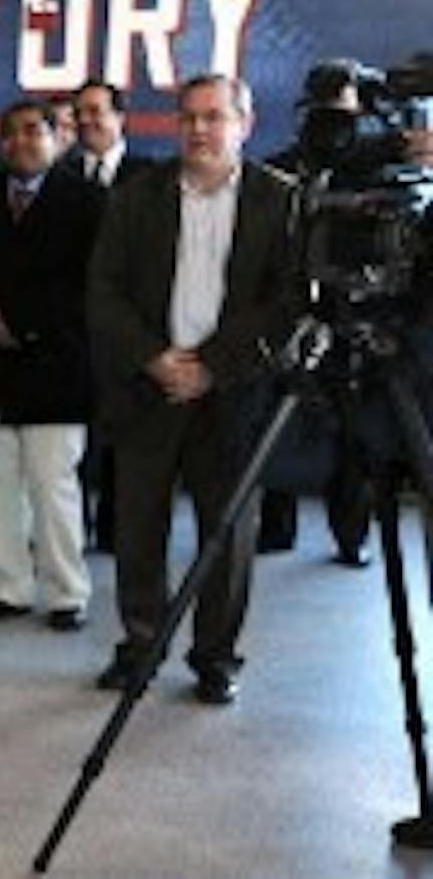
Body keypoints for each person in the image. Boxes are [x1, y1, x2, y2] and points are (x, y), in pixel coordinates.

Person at [89, 73, 294, 706]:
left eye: (214, 117)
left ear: (244, 124)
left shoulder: (281, 200)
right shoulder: (137, 196)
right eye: (189, 118)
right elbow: (104, 289)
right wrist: (156, 359)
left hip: (233, 393)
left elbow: (286, 301)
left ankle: (216, 657)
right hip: (149, 387)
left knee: (227, 534)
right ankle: (140, 646)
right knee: (137, 527)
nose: (200, 129)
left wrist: (211, 367)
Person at [0, 101, 103, 631]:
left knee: (53, 488)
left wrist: (23, 324)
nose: (21, 142)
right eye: (9, 133)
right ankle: (7, 587)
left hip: (54, 365)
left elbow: (91, 285)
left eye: (33, 131)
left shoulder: (89, 202)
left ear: (58, 137)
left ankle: (66, 594)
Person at [252, 59, 375, 566]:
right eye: (325, 112)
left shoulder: (372, 169)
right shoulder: (278, 169)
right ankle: (275, 524)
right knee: (275, 417)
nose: (334, 126)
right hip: (289, 312)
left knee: (354, 431)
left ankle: (352, 533)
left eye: (343, 114)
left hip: (355, 316)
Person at [58, 78, 158, 556]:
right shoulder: (60, 176)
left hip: (128, 326)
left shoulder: (150, 177)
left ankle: (118, 529)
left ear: (121, 117)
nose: (88, 121)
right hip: (71, 329)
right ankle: (69, 530)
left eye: (97, 111)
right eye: (80, 113)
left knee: (126, 436)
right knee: (70, 440)